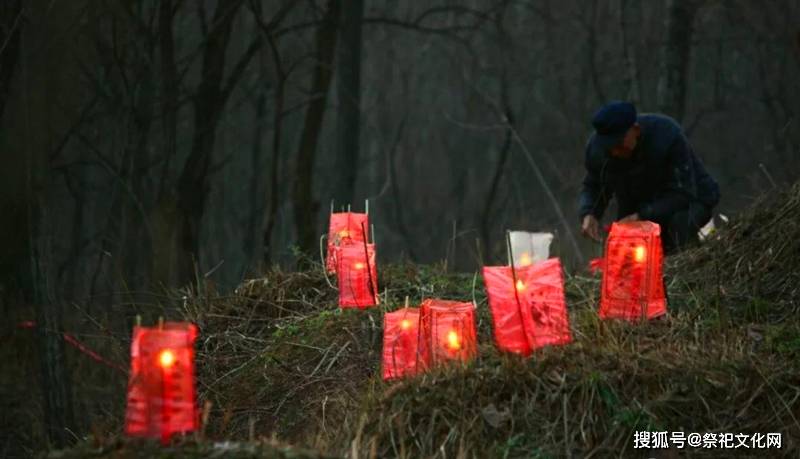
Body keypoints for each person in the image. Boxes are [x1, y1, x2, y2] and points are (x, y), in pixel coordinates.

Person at [578, 101, 720, 253]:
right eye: (609, 147)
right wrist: (589, 213)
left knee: (678, 227)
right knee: (626, 244)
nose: (615, 152)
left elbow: (683, 193)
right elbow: (594, 185)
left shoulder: (666, 135)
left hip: (691, 198)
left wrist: (642, 216)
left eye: (619, 144)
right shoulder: (597, 151)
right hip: (639, 204)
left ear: (636, 130)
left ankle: (688, 262)